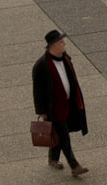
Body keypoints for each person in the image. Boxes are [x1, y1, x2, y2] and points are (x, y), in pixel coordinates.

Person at [33, 29, 89, 177]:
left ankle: (53, 157)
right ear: (52, 45)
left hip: (68, 103)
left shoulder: (66, 58)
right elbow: (37, 91)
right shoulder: (41, 65)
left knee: (60, 132)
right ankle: (74, 165)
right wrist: (41, 111)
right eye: (60, 42)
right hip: (54, 107)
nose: (64, 44)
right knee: (64, 135)